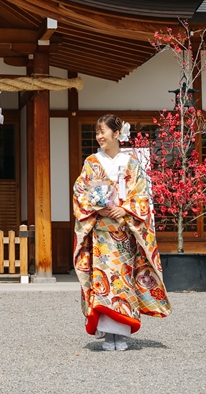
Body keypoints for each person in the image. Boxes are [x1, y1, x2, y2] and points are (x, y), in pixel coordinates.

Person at [73, 114, 170, 351]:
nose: (99, 136)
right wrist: (99, 208)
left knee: (123, 281)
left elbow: (142, 195)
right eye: (97, 133)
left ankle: (121, 334)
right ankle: (108, 335)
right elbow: (80, 192)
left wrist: (124, 209)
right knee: (103, 280)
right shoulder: (92, 162)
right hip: (101, 233)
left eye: (103, 132)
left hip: (124, 232)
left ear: (116, 134)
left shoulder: (131, 163)